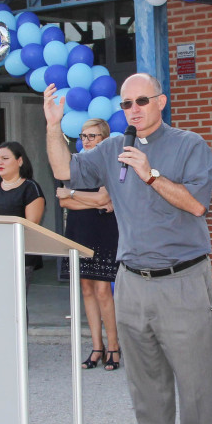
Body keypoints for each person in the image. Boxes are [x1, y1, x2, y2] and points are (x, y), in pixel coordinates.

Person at [43, 73, 212, 424]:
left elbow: (197, 204)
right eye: (126, 104)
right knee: (145, 376)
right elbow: (64, 170)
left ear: (160, 101)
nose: (133, 109)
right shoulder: (111, 148)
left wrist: (150, 174)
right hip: (132, 280)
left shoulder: (189, 145)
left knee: (194, 376)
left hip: (182, 277)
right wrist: (53, 125)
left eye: (141, 100)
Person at [55, 119, 120, 371]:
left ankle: (114, 346)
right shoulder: (72, 165)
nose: (87, 140)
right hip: (78, 230)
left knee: (104, 291)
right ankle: (96, 346)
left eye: (93, 136)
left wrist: (73, 194)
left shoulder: (109, 163)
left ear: (104, 139)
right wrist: (89, 200)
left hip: (104, 230)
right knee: (86, 289)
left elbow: (105, 198)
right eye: (83, 136)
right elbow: (63, 203)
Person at [0, 140, 46, 272]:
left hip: (18, 257)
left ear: (19, 161)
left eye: (5, 158)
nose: (0, 162)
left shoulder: (30, 188)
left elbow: (30, 226)